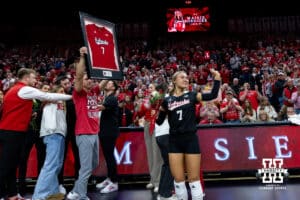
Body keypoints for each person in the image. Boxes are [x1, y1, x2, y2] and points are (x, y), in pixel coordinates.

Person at [0, 68, 72, 200]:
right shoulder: (24, 89)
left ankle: (12, 195)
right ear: (26, 78)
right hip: (12, 132)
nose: (35, 80)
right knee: (5, 166)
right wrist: (72, 96)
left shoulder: (15, 89)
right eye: (34, 78)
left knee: (11, 165)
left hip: (12, 131)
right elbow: (48, 96)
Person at [156, 69, 221, 200]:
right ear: (174, 81)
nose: (186, 79)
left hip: (190, 139)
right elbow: (159, 121)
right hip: (174, 141)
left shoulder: (192, 95)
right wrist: (157, 110)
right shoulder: (167, 100)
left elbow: (212, 95)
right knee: (179, 181)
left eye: (187, 77)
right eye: (182, 77)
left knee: (194, 179)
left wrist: (217, 78)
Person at [66, 47, 101, 200]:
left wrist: (113, 69)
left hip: (94, 133)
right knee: (86, 168)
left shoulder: (94, 91)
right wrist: (82, 56)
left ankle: (75, 191)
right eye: (88, 79)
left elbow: (106, 82)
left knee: (93, 164)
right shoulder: (79, 93)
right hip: (84, 133)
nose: (91, 80)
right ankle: (81, 195)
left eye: (91, 79)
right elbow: (79, 76)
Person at [32, 85, 70, 200]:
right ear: (55, 92)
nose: (63, 93)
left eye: (64, 91)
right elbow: (47, 96)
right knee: (50, 165)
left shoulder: (62, 103)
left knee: (56, 165)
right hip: (52, 134)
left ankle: (52, 193)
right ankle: (38, 196)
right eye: (61, 91)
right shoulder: (51, 99)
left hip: (60, 134)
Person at [18, 84, 50, 196]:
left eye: (48, 89)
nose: (47, 91)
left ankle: (41, 186)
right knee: (23, 160)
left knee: (42, 160)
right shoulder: (29, 100)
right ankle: (21, 187)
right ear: (39, 90)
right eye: (45, 88)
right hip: (27, 133)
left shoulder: (48, 103)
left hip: (41, 134)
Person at [54, 75, 80, 194]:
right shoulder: (55, 97)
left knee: (78, 157)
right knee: (60, 158)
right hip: (61, 131)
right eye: (65, 84)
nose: (68, 85)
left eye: (68, 83)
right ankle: (59, 183)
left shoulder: (76, 94)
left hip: (76, 130)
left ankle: (78, 182)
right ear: (59, 85)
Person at [95, 80, 120, 193]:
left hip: (109, 131)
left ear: (114, 88)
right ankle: (110, 178)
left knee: (110, 157)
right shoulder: (106, 98)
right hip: (105, 130)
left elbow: (100, 108)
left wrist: (87, 103)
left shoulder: (112, 98)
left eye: (110, 83)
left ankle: (114, 183)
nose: (107, 84)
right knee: (108, 156)